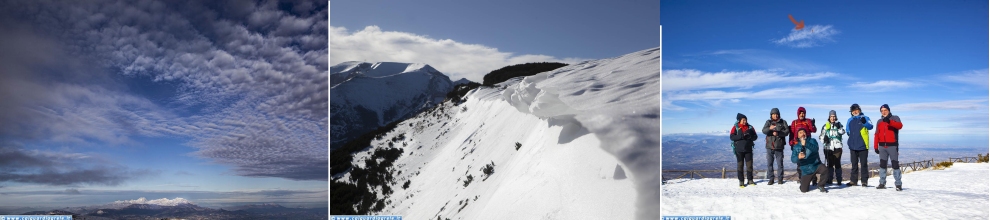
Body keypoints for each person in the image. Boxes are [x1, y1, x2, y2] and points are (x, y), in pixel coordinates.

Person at [874, 104, 904, 191]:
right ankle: (882, 183)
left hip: (892, 146)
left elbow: (900, 126)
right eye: (882, 111)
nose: (883, 112)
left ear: (889, 110)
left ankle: (898, 184)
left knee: (895, 165)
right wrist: (876, 146)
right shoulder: (879, 121)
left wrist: (889, 122)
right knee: (882, 165)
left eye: (885, 110)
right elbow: (876, 134)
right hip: (882, 146)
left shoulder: (895, 118)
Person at [791, 128, 829, 193]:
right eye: (800, 133)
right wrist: (798, 157)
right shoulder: (796, 146)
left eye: (804, 132)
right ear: (797, 136)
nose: (802, 133)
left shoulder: (812, 141)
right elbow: (793, 159)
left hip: (816, 165)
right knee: (804, 190)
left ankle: (820, 185)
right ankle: (805, 182)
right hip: (806, 170)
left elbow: (815, 149)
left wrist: (806, 144)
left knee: (825, 170)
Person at [845, 103, 874, 187]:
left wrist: (865, 123)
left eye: (856, 110)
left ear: (860, 110)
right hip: (853, 146)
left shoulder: (865, 118)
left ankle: (864, 181)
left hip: (863, 145)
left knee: (863, 164)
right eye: (853, 111)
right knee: (854, 164)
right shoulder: (849, 120)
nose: (855, 112)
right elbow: (848, 130)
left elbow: (870, 126)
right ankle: (853, 181)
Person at [762, 108, 790, 185]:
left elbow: (787, 131)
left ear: (779, 115)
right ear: (771, 115)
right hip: (769, 146)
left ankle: (780, 179)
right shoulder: (768, 122)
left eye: (776, 114)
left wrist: (778, 133)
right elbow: (764, 130)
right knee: (769, 164)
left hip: (779, 146)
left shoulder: (783, 122)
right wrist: (769, 128)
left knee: (780, 164)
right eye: (774, 114)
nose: (775, 115)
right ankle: (771, 179)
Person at [730, 113, 758, 187]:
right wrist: (740, 136)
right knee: (740, 166)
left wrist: (750, 137)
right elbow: (732, 137)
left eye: (745, 120)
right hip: (739, 150)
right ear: (739, 120)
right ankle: (741, 181)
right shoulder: (736, 127)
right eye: (743, 120)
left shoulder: (750, 127)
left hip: (748, 149)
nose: (745, 121)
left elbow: (755, 137)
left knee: (749, 166)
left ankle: (750, 180)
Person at [789, 107, 816, 184]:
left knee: (811, 161)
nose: (802, 114)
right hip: (797, 144)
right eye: (800, 113)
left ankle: (813, 179)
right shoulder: (794, 122)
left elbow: (813, 130)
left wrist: (813, 125)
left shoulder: (808, 121)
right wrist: (791, 143)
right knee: (799, 163)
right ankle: (801, 178)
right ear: (798, 113)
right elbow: (791, 133)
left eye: (803, 113)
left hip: (807, 144)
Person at [819, 110, 845, 185]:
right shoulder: (825, 126)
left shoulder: (839, 125)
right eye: (831, 116)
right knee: (829, 164)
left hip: (837, 147)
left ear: (836, 117)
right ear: (829, 117)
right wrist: (824, 139)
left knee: (837, 163)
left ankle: (839, 180)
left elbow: (842, 132)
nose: (833, 118)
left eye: (834, 116)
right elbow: (821, 137)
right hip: (828, 147)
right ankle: (829, 180)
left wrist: (839, 128)